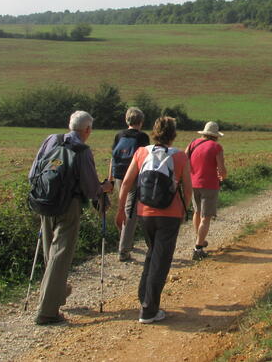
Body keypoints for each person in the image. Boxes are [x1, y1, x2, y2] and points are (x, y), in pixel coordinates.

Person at [29, 110, 113, 325]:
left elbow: (33, 172)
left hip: (45, 201)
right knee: (60, 253)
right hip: (69, 205)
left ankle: (57, 293)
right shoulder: (81, 150)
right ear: (87, 129)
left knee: (50, 250)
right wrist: (104, 189)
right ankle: (47, 312)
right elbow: (90, 186)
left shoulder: (51, 140)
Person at [117, 116, 192, 323]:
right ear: (173, 134)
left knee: (152, 253)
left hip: (144, 212)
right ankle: (149, 310)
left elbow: (126, 183)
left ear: (154, 131)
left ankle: (144, 297)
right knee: (161, 259)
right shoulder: (180, 156)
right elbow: (188, 188)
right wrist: (185, 210)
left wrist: (121, 210)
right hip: (170, 214)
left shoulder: (142, 152)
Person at [109, 107, 150, 262]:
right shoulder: (142, 137)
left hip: (119, 175)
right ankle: (124, 250)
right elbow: (145, 158)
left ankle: (124, 242)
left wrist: (111, 178)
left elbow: (113, 157)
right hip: (134, 177)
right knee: (130, 212)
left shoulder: (119, 135)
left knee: (124, 208)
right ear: (141, 121)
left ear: (127, 120)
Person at [185, 121, 227, 261]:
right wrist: (223, 177)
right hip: (209, 185)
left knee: (197, 212)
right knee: (206, 216)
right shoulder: (216, 147)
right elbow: (221, 169)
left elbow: (184, 159)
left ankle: (200, 239)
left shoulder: (193, 143)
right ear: (215, 135)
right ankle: (198, 248)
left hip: (192, 183)